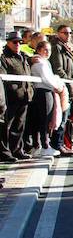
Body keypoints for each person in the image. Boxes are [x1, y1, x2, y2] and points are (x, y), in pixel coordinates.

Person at [27, 40, 65, 157]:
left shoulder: (44, 62)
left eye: (49, 50)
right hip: (44, 92)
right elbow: (47, 79)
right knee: (45, 120)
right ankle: (45, 146)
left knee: (40, 120)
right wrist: (58, 86)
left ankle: (38, 145)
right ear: (38, 50)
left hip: (42, 92)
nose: (48, 52)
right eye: (45, 50)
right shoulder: (40, 63)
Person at [0, 31, 33, 162]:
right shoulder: (4, 58)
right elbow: (3, 76)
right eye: (14, 42)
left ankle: (17, 150)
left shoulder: (24, 57)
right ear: (8, 43)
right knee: (7, 126)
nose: (18, 44)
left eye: (20, 42)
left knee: (19, 125)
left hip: (25, 95)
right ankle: (5, 152)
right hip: (11, 97)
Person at [48, 25, 73, 157]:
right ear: (58, 33)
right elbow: (58, 69)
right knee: (61, 118)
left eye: (70, 32)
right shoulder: (57, 48)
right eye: (65, 33)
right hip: (62, 87)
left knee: (65, 118)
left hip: (68, 86)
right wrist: (69, 83)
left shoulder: (65, 48)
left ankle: (61, 143)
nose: (68, 35)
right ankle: (57, 144)